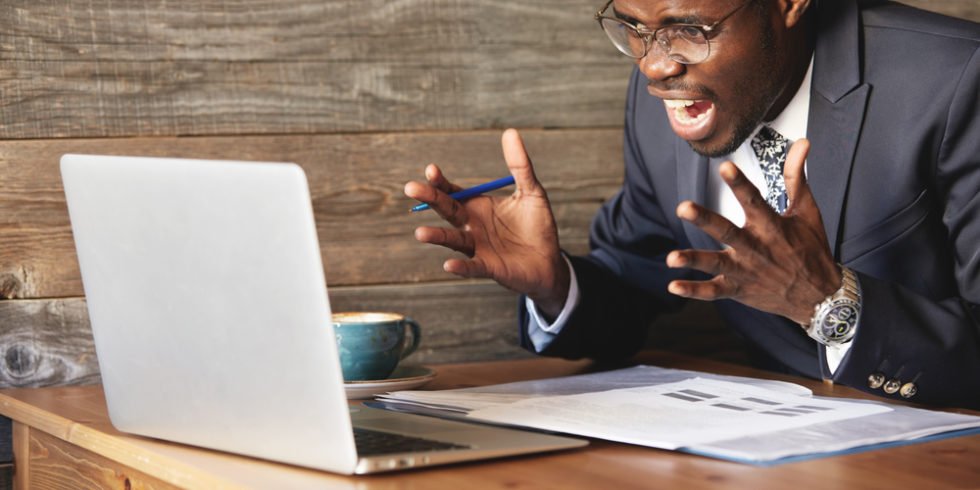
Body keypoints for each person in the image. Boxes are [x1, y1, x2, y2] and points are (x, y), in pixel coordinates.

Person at [404, 0, 980, 409]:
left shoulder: (956, 81)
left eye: (690, 29)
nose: (655, 65)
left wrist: (828, 301)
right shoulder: (667, 98)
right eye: (632, 26)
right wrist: (554, 283)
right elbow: (639, 278)